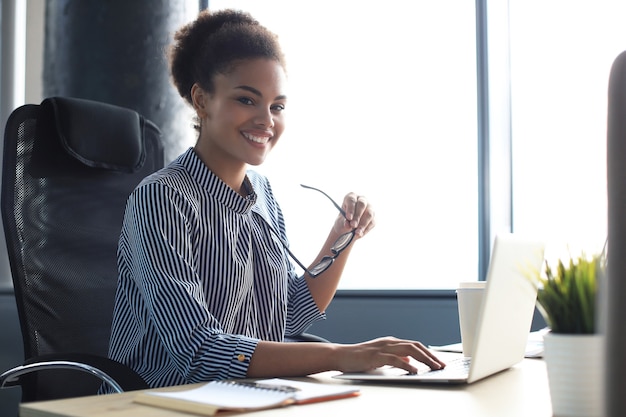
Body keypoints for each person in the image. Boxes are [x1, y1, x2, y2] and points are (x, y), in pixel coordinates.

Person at [107, 8, 445, 389]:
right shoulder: (161, 198)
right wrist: (341, 355)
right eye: (247, 100)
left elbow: (288, 315)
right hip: (156, 402)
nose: (267, 120)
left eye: (277, 106)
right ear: (202, 100)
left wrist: (343, 235)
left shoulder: (263, 195)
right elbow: (198, 351)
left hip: (242, 398)